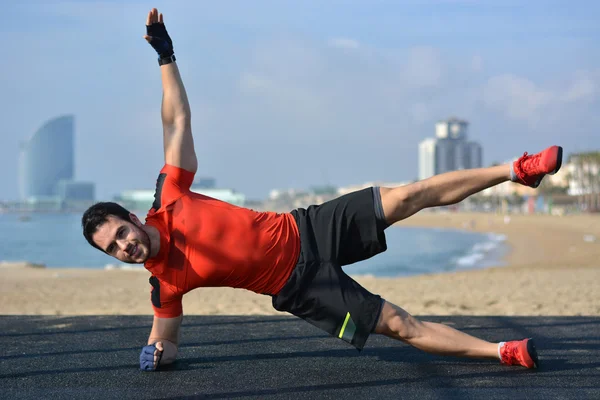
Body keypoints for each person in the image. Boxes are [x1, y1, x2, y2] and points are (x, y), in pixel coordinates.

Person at [82, 8, 562, 372]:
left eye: (121, 233)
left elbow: (177, 119)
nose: (125, 246)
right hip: (300, 288)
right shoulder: (164, 283)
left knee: (405, 196)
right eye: (114, 249)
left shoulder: (170, 195)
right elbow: (167, 339)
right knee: (398, 325)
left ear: (132, 217)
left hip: (307, 227)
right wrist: (156, 356)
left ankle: (515, 170)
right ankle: (503, 352)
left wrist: (165, 56)